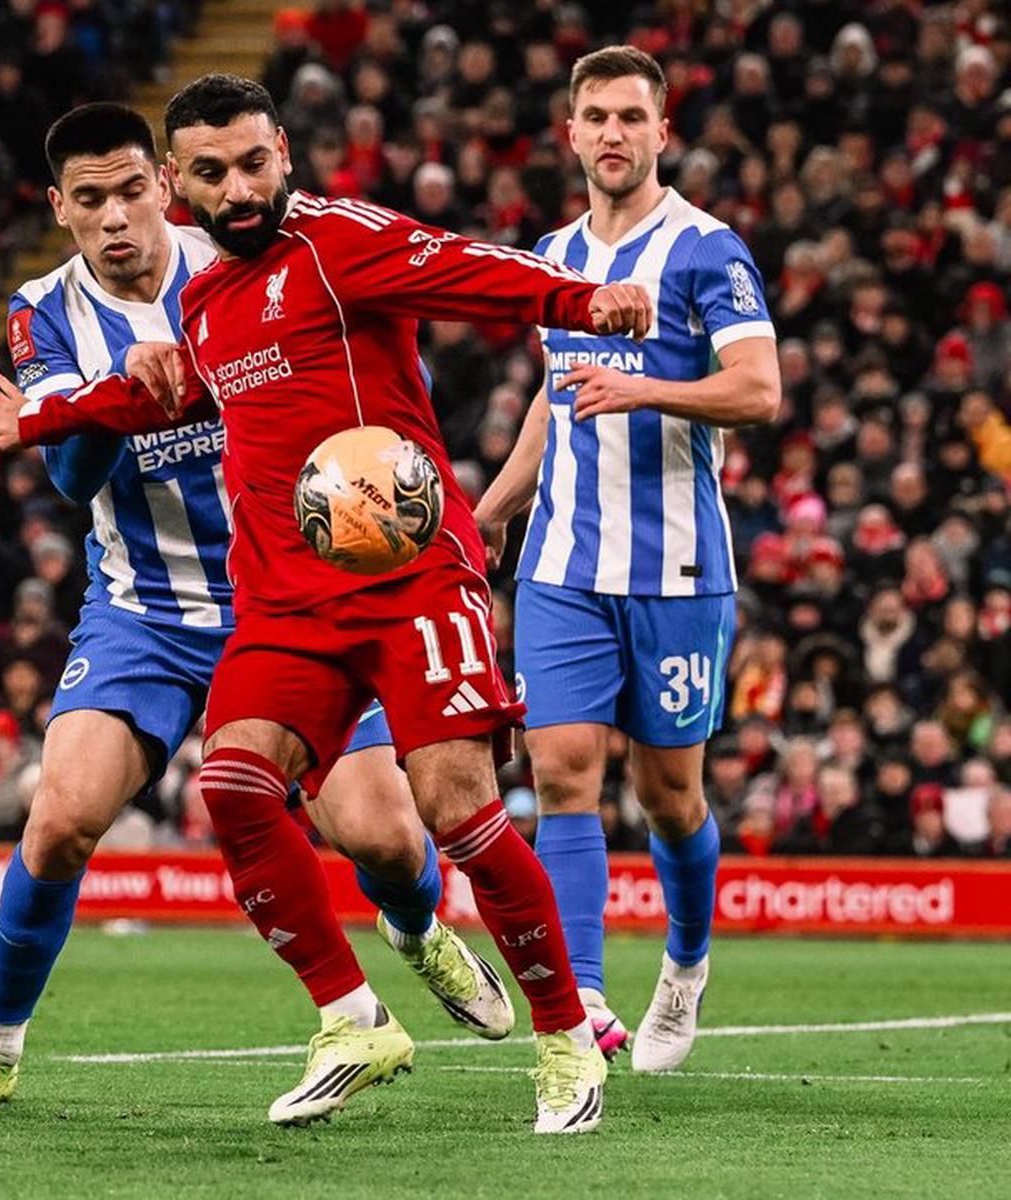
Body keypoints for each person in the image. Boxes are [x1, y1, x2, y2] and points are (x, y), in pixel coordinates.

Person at [0, 75, 647, 1134]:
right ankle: (353, 1020)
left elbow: (466, 268)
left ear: (281, 151)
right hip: (268, 602)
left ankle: (561, 1039)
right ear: (184, 185)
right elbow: (141, 393)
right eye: (215, 174)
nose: (240, 190)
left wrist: (578, 297)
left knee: (450, 809)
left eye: (255, 164)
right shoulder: (197, 300)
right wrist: (38, 424)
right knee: (230, 786)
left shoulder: (337, 242)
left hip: (409, 572)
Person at [474, 46, 780, 1073]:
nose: (613, 134)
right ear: (570, 134)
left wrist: (643, 386)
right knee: (563, 775)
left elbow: (759, 391)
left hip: (680, 572)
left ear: (662, 132)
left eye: (631, 117)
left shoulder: (707, 251)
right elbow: (555, 404)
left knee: (670, 796)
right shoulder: (553, 255)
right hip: (563, 564)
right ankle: (583, 1005)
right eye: (595, 116)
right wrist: (489, 512)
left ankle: (685, 967)